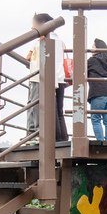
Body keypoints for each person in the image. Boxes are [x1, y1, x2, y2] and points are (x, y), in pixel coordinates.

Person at [25, 13, 69, 142]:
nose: (32, 28)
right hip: (59, 78)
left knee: (36, 106)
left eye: (34, 25)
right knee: (57, 111)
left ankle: (36, 136)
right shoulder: (60, 41)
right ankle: (61, 139)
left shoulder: (41, 41)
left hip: (42, 78)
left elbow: (28, 58)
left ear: (42, 25)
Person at [87, 38, 107, 141]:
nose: (91, 48)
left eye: (93, 46)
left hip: (98, 93)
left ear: (98, 48)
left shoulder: (91, 61)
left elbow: (82, 73)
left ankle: (100, 141)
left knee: (95, 119)